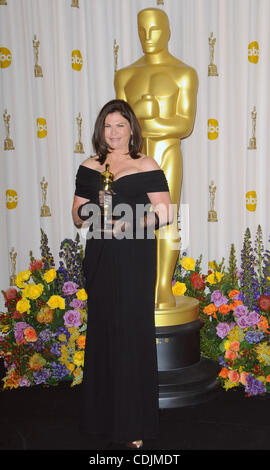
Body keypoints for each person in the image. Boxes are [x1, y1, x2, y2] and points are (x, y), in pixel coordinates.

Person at [72, 99, 173, 449]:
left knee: (131, 331)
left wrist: (131, 221)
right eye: (107, 126)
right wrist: (94, 209)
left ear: (132, 128)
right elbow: (76, 215)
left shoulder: (146, 164)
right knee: (104, 330)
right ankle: (100, 417)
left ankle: (134, 422)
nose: (113, 133)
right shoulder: (90, 166)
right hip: (101, 253)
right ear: (101, 130)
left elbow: (165, 212)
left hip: (135, 254)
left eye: (120, 125)